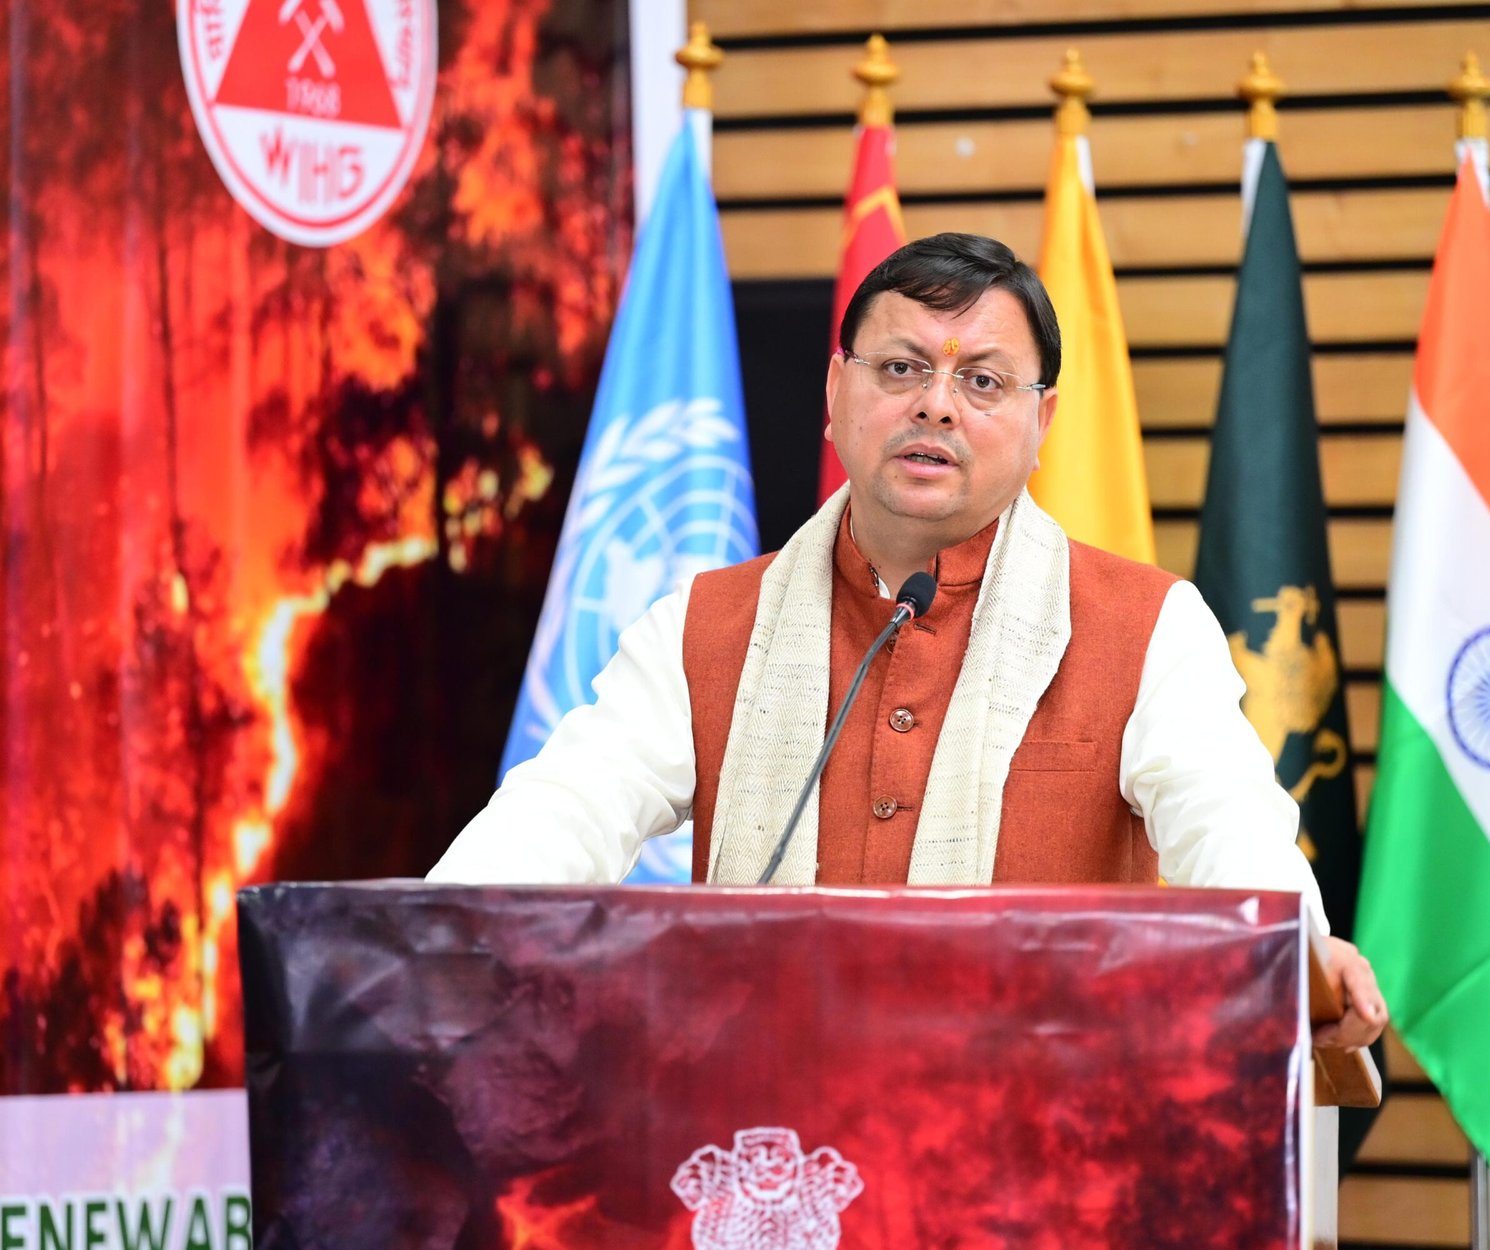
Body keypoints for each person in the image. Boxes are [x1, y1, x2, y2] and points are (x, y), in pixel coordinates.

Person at [429, 232, 1386, 1051]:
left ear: (1042, 421)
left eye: (982, 381)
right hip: (763, 1126)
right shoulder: (704, 625)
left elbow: (1229, 826)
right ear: (835, 391)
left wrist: (1300, 947)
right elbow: (562, 815)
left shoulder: (1146, 626)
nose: (936, 405)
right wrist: (421, 939)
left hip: (1037, 1142)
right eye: (901, 369)